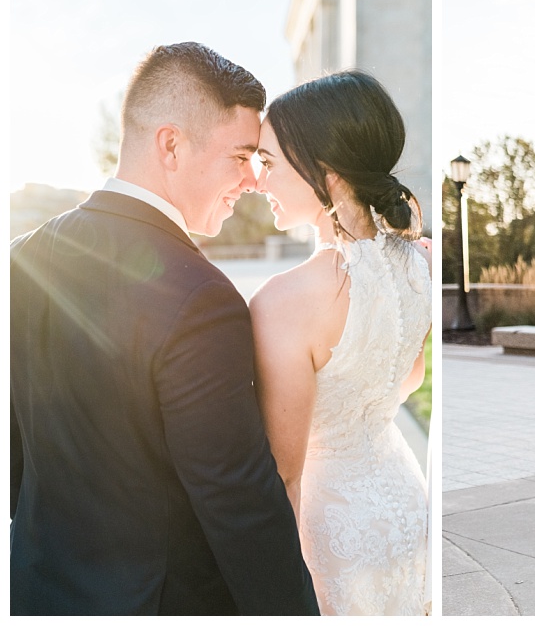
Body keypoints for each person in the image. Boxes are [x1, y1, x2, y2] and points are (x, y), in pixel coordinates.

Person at [9, 42, 319, 615]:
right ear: (172, 145)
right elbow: (239, 503)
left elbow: (19, 457)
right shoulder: (202, 299)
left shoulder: (21, 258)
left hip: (37, 591)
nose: (253, 179)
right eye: (240, 156)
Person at [252, 69, 431, 616]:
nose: (258, 180)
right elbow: (411, 378)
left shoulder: (285, 301)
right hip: (405, 503)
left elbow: (284, 472)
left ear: (324, 174)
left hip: (334, 534)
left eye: (269, 162)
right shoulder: (420, 259)